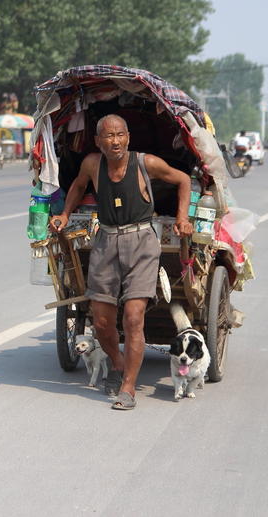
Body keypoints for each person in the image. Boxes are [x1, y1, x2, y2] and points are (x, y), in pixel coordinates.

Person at [50, 114, 193, 411]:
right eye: (108, 136)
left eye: (119, 135)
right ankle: (117, 363)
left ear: (127, 137)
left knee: (133, 317)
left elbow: (182, 179)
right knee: (101, 321)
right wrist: (64, 213)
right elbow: (77, 186)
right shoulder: (92, 164)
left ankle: (128, 387)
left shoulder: (145, 163)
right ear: (98, 141)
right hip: (105, 241)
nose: (114, 141)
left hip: (141, 242)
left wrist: (182, 218)